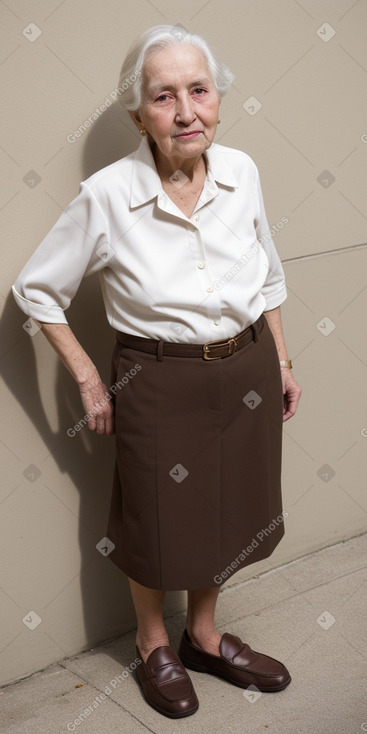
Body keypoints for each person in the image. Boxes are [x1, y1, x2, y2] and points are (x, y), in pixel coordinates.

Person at [12, 25, 301, 719]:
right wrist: (86, 376)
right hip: (156, 377)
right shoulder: (108, 193)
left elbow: (266, 276)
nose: (184, 111)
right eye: (163, 96)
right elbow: (35, 290)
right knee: (156, 517)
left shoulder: (243, 172)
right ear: (138, 113)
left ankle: (202, 635)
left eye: (198, 91)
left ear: (219, 100)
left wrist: (283, 361)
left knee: (233, 506)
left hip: (249, 365)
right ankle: (153, 645)